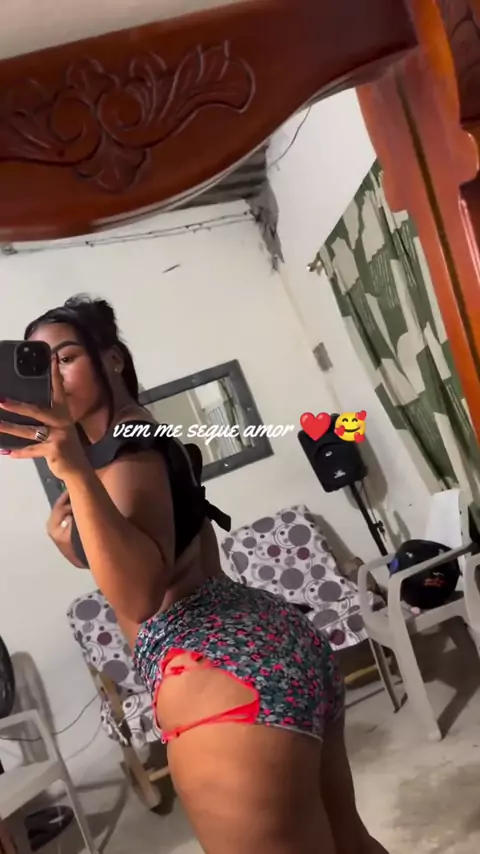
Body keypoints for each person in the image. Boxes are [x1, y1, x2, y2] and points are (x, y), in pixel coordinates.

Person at [0, 296, 388, 854]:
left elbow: (140, 595)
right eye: (42, 365)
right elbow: (156, 549)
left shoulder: (121, 453)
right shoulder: (142, 435)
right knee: (350, 842)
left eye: (66, 357)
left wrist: (75, 475)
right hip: (273, 640)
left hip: (215, 673)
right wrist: (79, 543)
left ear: (111, 360)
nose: (55, 377)